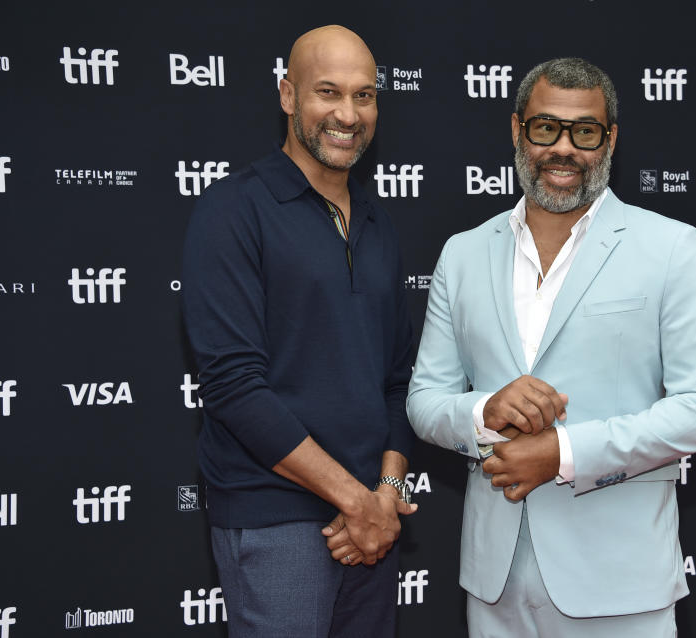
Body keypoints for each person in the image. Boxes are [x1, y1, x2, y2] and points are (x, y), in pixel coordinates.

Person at [406, 58, 696, 637]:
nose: (564, 148)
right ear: (516, 130)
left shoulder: (672, 248)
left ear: (609, 139)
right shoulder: (462, 253)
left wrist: (564, 453)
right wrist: (485, 411)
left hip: (619, 582)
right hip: (495, 585)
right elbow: (425, 401)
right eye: (545, 128)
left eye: (584, 131)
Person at [181, 25, 417, 638]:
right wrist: (357, 502)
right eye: (328, 92)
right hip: (277, 518)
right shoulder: (232, 211)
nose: (347, 113)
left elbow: (396, 381)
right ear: (288, 95)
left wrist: (385, 493)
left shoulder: (378, 224)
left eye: (364, 96)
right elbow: (233, 386)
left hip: (370, 526)